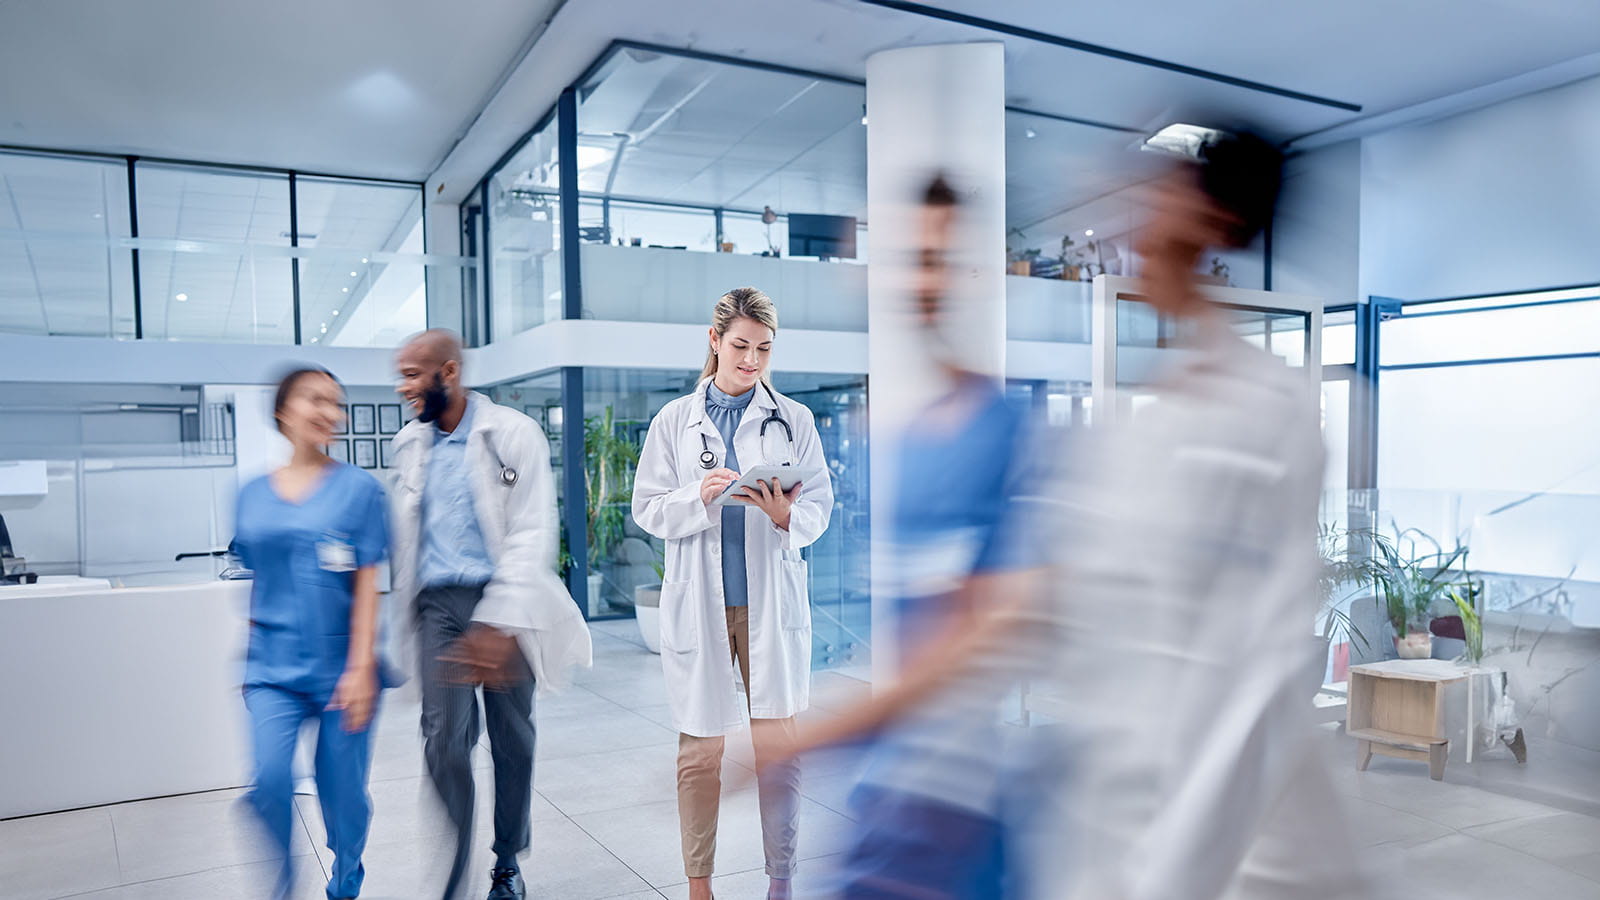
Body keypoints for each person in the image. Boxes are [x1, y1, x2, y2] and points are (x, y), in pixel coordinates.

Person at [1041, 130, 1370, 900]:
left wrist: (1168, 874)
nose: (1131, 230)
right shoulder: (1157, 411)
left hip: (1227, 840)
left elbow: (1256, 676)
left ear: (1213, 219)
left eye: (1158, 195)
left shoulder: (1267, 413)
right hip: (1137, 802)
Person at [764, 176, 1048, 899]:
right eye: (905, 259)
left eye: (936, 259)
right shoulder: (895, 434)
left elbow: (967, 643)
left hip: (952, 809)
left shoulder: (999, 428)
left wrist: (805, 737)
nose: (921, 281)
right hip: (886, 796)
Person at [631, 287, 834, 900]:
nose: (752, 360)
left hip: (770, 604)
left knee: (778, 747)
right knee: (699, 753)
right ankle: (700, 886)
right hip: (703, 604)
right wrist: (695, 497)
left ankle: (781, 881)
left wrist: (785, 516)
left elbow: (820, 504)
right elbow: (646, 507)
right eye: (741, 345)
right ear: (714, 340)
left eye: (764, 349)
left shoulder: (794, 420)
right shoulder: (674, 421)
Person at [389, 329, 592, 900]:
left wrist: (496, 620)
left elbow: (532, 532)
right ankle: (458, 855)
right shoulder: (409, 444)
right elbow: (407, 540)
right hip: (437, 606)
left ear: (449, 372)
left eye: (413, 374)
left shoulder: (513, 433)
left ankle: (506, 861)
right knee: (443, 739)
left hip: (505, 600)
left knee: (512, 738)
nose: (404, 387)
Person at [233, 366, 393, 900]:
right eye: (315, 399)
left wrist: (361, 666)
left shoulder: (359, 490)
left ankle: (346, 877)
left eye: (335, 402)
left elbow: (368, 583)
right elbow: (259, 578)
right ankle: (283, 884)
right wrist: (251, 652)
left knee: (343, 796)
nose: (329, 411)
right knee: (270, 781)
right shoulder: (252, 495)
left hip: (340, 670)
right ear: (283, 411)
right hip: (272, 668)